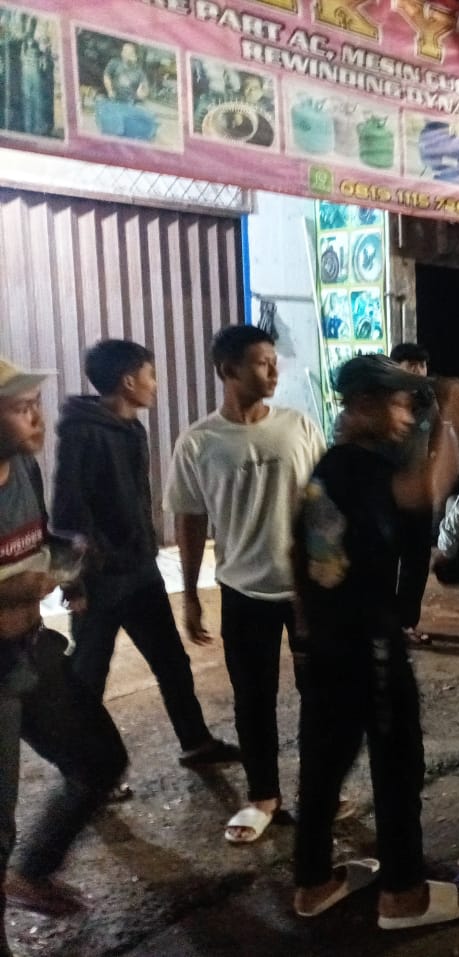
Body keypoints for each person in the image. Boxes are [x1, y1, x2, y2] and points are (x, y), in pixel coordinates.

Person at [292, 355, 459, 929]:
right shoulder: (361, 467)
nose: (406, 417)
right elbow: (423, 491)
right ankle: (403, 895)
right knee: (397, 763)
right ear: (364, 405)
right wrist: (452, 419)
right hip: (367, 642)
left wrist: (305, 629)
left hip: (327, 640)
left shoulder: (330, 465)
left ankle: (313, 882)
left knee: (323, 764)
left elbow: (297, 555)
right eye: (399, 405)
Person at [51, 340, 240, 801]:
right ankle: (84, 772)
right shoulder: (82, 433)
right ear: (128, 381)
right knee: (88, 677)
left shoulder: (131, 427)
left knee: (172, 662)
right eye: (150, 375)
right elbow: (68, 510)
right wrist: (74, 580)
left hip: (139, 570)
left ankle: (196, 743)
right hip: (100, 579)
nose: (155, 385)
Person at [164, 326, 327, 844]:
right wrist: (191, 594)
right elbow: (190, 519)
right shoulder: (199, 442)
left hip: (306, 591)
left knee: (320, 696)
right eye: (262, 362)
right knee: (253, 699)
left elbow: (325, 506)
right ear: (227, 370)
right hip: (243, 592)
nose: (274, 371)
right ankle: (263, 796)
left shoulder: (299, 427)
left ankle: (321, 791)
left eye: (275, 360)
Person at [0, 357, 128, 936]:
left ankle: (32, 872)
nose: (37, 418)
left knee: (100, 760)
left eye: (35, 404)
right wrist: (11, 590)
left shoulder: (24, 468)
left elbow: (39, 539)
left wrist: (68, 567)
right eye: (20, 408)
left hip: (33, 651)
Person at [388, 342, 433, 647]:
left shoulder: (429, 402)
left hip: (420, 494)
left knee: (416, 562)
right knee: (386, 561)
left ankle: (406, 623)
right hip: (388, 495)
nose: (418, 369)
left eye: (422, 364)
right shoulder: (385, 399)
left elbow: (438, 439)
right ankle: (385, 624)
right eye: (411, 364)